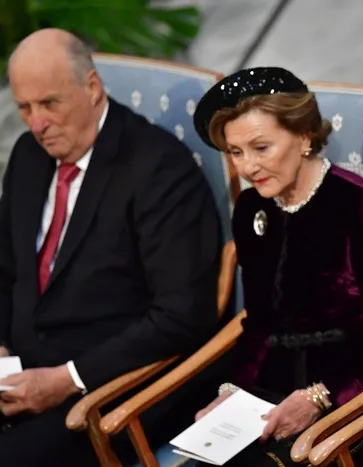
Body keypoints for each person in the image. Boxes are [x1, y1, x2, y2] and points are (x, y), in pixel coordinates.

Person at [0, 29, 222, 466]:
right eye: (24, 108)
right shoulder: (28, 155)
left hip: (110, 387)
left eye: (49, 104)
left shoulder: (158, 169)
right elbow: (5, 266)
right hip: (20, 375)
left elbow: (181, 316)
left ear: (92, 87)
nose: (37, 124)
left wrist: (68, 379)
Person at [191, 67, 363, 466]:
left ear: (303, 136)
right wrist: (232, 391)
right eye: (235, 152)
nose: (247, 167)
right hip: (274, 387)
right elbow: (259, 325)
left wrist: (320, 396)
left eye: (260, 148)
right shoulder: (251, 208)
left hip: (362, 393)